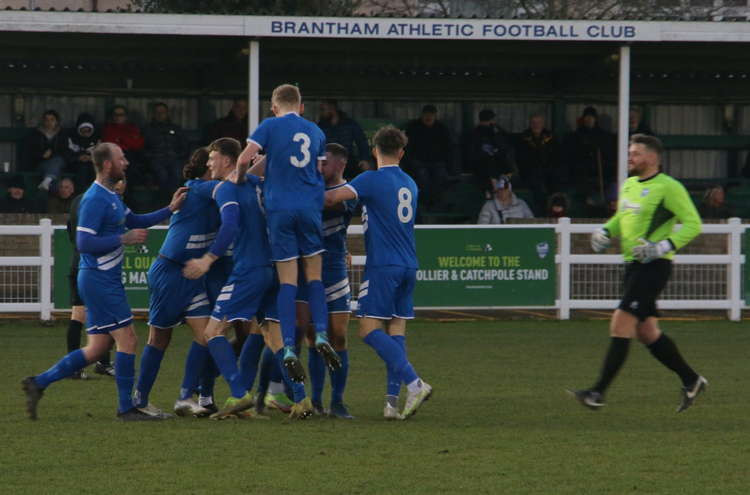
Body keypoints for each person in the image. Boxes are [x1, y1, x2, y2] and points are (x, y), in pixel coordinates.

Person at [21, 142, 187, 421]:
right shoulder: (95, 199)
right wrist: (125, 238)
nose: (127, 162)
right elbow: (84, 242)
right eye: (121, 158)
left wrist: (170, 209)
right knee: (129, 339)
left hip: (100, 278)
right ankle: (126, 408)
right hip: (99, 279)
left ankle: (38, 383)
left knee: (97, 348)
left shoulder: (111, 196)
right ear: (108, 164)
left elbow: (135, 220)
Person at [571, 134, 707, 413]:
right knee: (647, 332)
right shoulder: (630, 185)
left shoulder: (669, 187)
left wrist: (663, 247)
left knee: (620, 322)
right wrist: (606, 230)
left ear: (652, 158)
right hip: (633, 266)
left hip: (654, 267)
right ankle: (691, 379)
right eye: (629, 153)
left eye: (635, 153)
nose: (630, 158)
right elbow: (623, 217)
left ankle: (597, 392)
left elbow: (693, 224)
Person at [183, 138, 310, 420]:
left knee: (212, 332)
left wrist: (208, 259)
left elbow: (230, 223)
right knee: (275, 340)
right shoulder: (257, 186)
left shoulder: (229, 188)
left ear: (228, 160)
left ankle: (240, 394)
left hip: (248, 270)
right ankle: (302, 399)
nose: (208, 163)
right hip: (273, 269)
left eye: (212, 157)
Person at [235, 83, 341, 385]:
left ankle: (290, 350)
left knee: (288, 281)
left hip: (280, 209)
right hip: (309, 208)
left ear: (273, 106)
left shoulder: (269, 126)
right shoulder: (316, 131)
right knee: (315, 277)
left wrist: (241, 180)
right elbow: (319, 170)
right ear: (302, 106)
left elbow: (244, 159)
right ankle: (320, 334)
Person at [325, 125, 432, 420]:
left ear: (374, 150)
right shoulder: (410, 182)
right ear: (401, 152)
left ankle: (415, 382)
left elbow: (333, 198)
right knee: (395, 331)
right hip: (409, 264)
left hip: (384, 265)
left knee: (369, 331)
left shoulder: (371, 179)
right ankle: (390, 404)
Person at [128, 146, 229, 419]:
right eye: (214, 160)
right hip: (169, 273)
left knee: (207, 335)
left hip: (192, 275)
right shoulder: (196, 189)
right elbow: (233, 183)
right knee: (159, 338)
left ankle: (185, 396)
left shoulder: (213, 192)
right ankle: (139, 399)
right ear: (208, 167)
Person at [296, 143, 357, 419]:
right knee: (312, 336)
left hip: (334, 269)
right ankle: (317, 399)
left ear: (340, 164)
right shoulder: (311, 187)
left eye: (325, 163)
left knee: (339, 335)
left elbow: (330, 202)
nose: (319, 167)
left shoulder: (350, 192)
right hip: (307, 269)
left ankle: (339, 401)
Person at [64, 180, 120, 380]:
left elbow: (70, 230)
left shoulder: (77, 200)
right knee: (100, 314)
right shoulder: (100, 202)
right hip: (91, 265)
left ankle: (94, 364)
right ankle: (94, 364)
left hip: (78, 260)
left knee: (84, 315)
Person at [563, 106, 616, 210]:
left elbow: (608, 156)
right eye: (586, 117)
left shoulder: (604, 137)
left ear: (595, 119)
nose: (589, 120)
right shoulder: (575, 136)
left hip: (600, 177)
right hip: (580, 177)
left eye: (591, 117)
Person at [404, 104, 452, 209]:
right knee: (422, 178)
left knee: (440, 177)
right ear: (422, 115)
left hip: (437, 161)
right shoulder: (414, 127)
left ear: (435, 116)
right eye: (426, 115)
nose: (428, 117)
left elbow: (448, 147)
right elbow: (407, 147)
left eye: (431, 115)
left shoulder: (441, 128)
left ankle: (437, 204)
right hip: (418, 161)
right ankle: (425, 204)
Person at [514, 113, 561, 215]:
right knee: (538, 188)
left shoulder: (551, 137)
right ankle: (542, 214)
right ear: (530, 124)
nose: (536, 125)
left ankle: (555, 212)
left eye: (539, 123)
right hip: (530, 173)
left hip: (549, 172)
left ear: (543, 124)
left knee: (555, 184)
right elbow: (520, 159)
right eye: (534, 123)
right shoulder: (524, 138)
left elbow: (556, 157)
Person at [143, 102, 189, 202]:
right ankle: (165, 203)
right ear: (153, 114)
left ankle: (174, 202)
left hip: (174, 159)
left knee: (176, 173)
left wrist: (178, 155)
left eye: (162, 112)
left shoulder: (175, 128)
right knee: (162, 175)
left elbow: (184, 146)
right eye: (157, 112)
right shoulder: (148, 129)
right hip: (156, 159)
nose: (160, 114)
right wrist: (151, 157)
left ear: (167, 113)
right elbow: (143, 148)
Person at [102, 105, 147, 206]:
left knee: (131, 172)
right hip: (112, 157)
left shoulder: (132, 128)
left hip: (131, 157)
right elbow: (109, 143)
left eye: (121, 115)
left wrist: (122, 140)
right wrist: (125, 142)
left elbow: (138, 144)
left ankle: (129, 203)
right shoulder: (108, 128)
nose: (118, 117)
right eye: (116, 115)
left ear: (126, 116)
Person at [467, 108, 516, 198]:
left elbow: (504, 147)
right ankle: (493, 190)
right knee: (490, 165)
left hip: (498, 164)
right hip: (483, 165)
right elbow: (473, 153)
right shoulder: (475, 133)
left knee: (504, 166)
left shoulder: (496, 131)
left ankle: (499, 186)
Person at [317, 100, 371, 178]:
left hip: (348, 164)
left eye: (323, 109)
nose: (321, 112)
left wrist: (364, 159)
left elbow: (362, 142)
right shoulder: (321, 126)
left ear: (332, 108)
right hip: (328, 164)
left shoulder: (350, 124)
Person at [24, 109, 68, 191]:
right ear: (43, 121)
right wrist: (42, 155)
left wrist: (52, 153)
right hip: (41, 163)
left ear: (57, 121)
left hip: (59, 162)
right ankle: (48, 181)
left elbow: (65, 151)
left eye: (52, 120)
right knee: (55, 173)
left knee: (57, 161)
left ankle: (47, 182)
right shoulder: (36, 134)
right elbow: (30, 152)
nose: (49, 122)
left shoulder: (62, 134)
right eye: (46, 120)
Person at [64, 112, 100, 192]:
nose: (86, 132)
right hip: (75, 165)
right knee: (82, 169)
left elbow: (103, 154)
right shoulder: (72, 137)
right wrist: (78, 158)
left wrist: (92, 158)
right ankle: (80, 193)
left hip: (93, 164)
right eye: (83, 130)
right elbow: (66, 154)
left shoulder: (97, 138)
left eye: (88, 130)